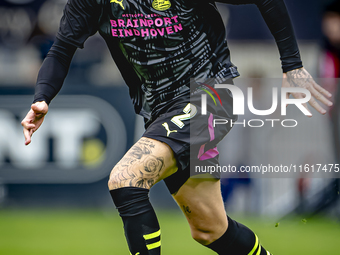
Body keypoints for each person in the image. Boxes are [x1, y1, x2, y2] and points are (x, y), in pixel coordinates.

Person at [21, 0, 333, 254]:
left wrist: (292, 64)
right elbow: (62, 49)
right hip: (159, 110)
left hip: (210, 93)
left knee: (125, 178)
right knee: (211, 230)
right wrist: (42, 98)